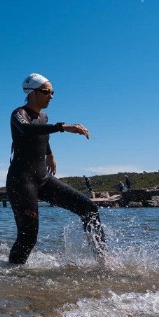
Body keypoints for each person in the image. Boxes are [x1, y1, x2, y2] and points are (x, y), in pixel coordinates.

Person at [6, 73, 106, 265]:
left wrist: (50, 154)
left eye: (52, 92)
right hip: (21, 182)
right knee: (28, 238)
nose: (51, 96)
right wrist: (63, 127)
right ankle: (12, 276)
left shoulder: (44, 117)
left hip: (42, 179)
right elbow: (27, 130)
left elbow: (42, 135)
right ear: (32, 92)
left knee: (89, 209)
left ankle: (103, 261)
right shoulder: (19, 114)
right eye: (46, 92)